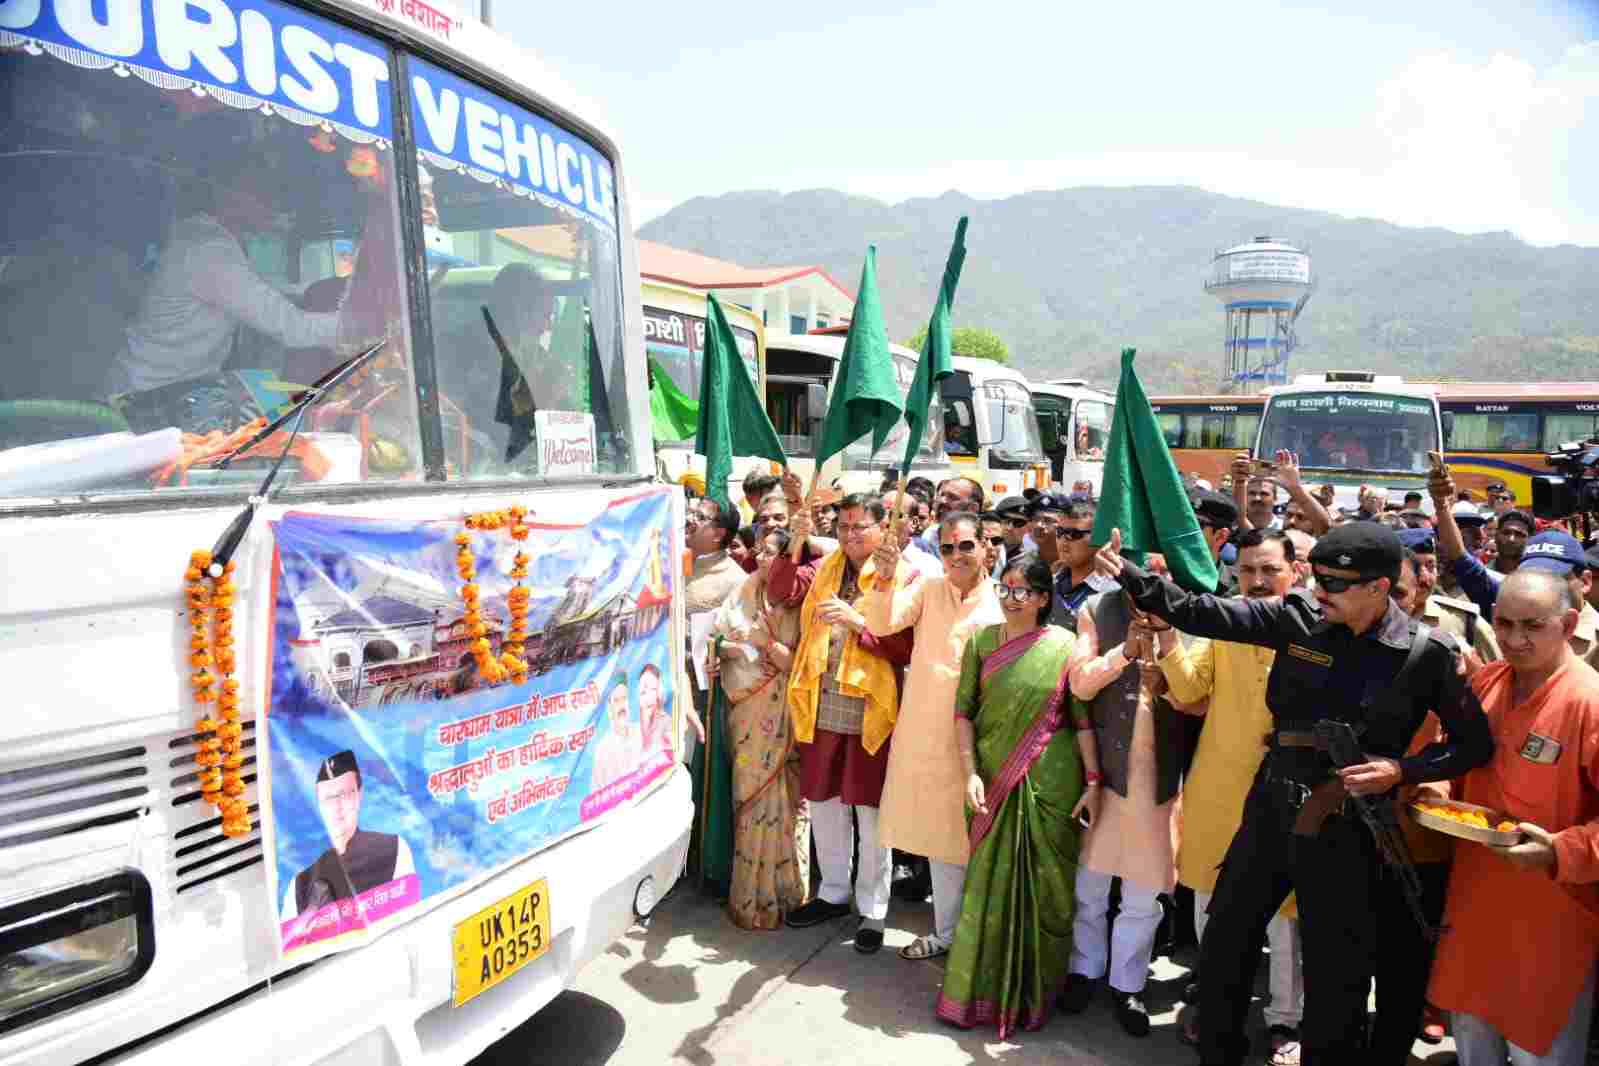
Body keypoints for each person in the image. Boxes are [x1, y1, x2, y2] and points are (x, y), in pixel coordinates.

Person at [1090, 522, 1494, 1066]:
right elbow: (1202, 612)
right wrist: (1134, 576)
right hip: (1273, 803)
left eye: (1335, 582)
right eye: (1318, 576)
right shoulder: (1296, 617)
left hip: (1349, 824)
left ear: (1379, 586)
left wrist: (1402, 769)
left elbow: (1472, 745)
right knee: (1226, 943)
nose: (1319, 589)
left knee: (1336, 972)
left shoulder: (1427, 653)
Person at [1427, 569, 1599, 1065]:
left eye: (1532, 626)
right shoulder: (1487, 682)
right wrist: (1433, 790)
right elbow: (1454, 759)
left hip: (1549, 919)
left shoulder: (1586, 700)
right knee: (1474, 1047)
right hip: (1475, 905)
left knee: (1539, 1052)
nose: (1513, 640)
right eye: (1503, 624)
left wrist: (1560, 850)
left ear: (1568, 626)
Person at [1155, 529, 1306, 1062]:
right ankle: (1214, 1001)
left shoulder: (1319, 629)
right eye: (1248, 571)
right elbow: (1191, 691)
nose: (1259, 581)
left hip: (1290, 791)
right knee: (1209, 899)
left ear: (1297, 571)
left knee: (1286, 916)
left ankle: (1286, 1019)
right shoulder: (1224, 624)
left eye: (1270, 570)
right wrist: (1169, 640)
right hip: (1219, 787)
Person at [936, 558, 1101, 1037]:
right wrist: (970, 773)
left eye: (1024, 591)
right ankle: (976, 997)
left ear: (1044, 598)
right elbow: (963, 712)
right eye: (1005, 589)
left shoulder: (1065, 646)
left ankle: (1032, 999)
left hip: (1052, 782)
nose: (1012, 599)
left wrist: (1092, 783)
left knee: (1045, 891)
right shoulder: (982, 641)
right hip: (991, 777)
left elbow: (1082, 720)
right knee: (986, 885)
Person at [775, 495, 916, 952]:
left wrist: (859, 623)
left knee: (871, 812)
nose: (851, 535)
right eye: (844, 526)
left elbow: (906, 648)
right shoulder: (826, 568)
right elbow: (781, 588)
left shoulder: (904, 575)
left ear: (882, 529)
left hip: (872, 705)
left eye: (861, 527)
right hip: (820, 698)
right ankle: (833, 892)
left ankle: (873, 910)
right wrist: (795, 538)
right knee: (824, 803)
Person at [864, 512, 1004, 961]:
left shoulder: (1001, 605)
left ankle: (972, 938)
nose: (956, 556)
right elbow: (883, 623)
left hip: (976, 739)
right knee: (941, 843)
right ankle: (947, 933)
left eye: (965, 546)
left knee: (972, 841)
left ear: (986, 546)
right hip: (923, 733)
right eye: (947, 548)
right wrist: (884, 578)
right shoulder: (927, 588)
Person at [1062, 586, 1189, 1037]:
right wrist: (1124, 652)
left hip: (1161, 781)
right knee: (1089, 885)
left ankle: (1127, 984)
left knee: (1141, 893)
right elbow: (1079, 682)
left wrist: (1168, 656)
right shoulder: (1098, 609)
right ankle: (1084, 970)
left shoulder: (1193, 614)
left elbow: (1202, 694)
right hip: (1103, 774)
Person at [111, 165, 348, 397]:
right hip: (148, 397)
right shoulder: (210, 250)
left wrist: (315, 290)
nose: (275, 205)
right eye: (264, 195)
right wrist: (362, 327)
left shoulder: (201, 236)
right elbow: (290, 327)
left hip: (171, 384)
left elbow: (258, 288)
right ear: (230, 197)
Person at [709, 527, 807, 930]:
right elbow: (719, 638)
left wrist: (763, 644)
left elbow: (795, 662)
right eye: (760, 551)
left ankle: (785, 893)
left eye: (773, 553)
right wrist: (737, 647)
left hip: (785, 712)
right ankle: (748, 895)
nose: (764, 559)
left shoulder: (799, 603)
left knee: (787, 800)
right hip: (745, 709)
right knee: (747, 794)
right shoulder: (743, 591)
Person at [281, 750, 416, 920]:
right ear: (319, 804)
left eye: (344, 794)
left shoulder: (394, 849)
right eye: (329, 798)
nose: (337, 807)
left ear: (360, 795)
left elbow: (409, 916)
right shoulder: (300, 884)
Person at [1045, 495, 1101, 632]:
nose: (1063, 542)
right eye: (1060, 532)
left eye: (1073, 534)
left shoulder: (1111, 592)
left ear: (1099, 538)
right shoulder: (1048, 583)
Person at [590, 680, 644, 790]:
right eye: (616, 700)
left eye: (624, 699)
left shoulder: (642, 732)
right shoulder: (603, 749)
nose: (621, 706)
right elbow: (597, 794)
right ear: (610, 709)